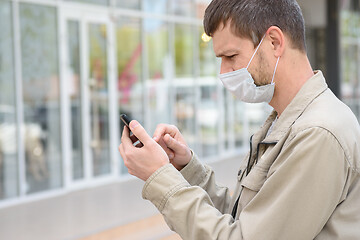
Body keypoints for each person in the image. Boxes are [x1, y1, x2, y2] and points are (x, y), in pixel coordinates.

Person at [119, 0, 360, 239]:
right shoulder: (286, 121)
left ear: (274, 42)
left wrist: (160, 176)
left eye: (231, 56)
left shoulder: (317, 133)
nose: (224, 72)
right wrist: (185, 168)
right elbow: (244, 220)